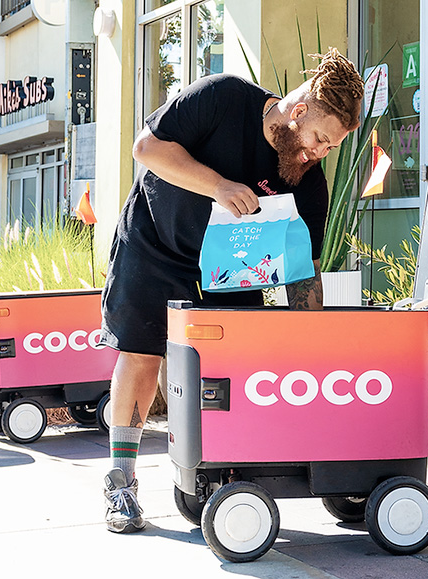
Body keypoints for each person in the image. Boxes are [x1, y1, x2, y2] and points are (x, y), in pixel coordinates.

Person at [99, 47, 364, 533]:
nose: (320, 154)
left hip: (230, 274)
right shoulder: (222, 97)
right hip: (156, 242)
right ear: (299, 111)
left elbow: (304, 270)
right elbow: (148, 149)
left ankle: (223, 477)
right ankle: (122, 482)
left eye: (330, 148)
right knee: (141, 354)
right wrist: (218, 185)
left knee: (231, 370)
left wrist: (315, 339)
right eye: (320, 140)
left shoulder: (306, 181)